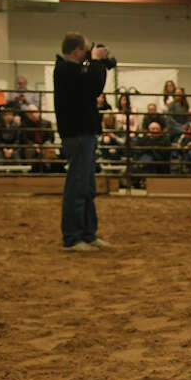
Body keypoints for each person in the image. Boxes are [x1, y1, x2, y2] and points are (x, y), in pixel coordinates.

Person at [54, 32, 115, 251]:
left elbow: (90, 75)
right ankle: (72, 238)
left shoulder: (72, 68)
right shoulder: (66, 69)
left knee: (87, 187)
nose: (88, 54)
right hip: (78, 134)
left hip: (84, 134)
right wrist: (97, 60)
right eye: (86, 50)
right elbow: (94, 84)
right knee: (77, 187)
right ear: (77, 50)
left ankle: (88, 234)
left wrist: (96, 60)